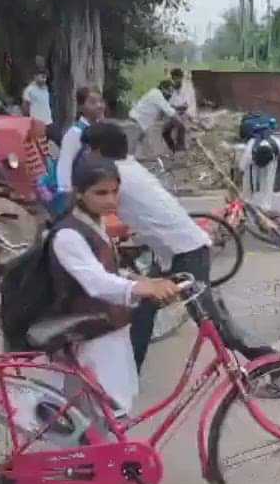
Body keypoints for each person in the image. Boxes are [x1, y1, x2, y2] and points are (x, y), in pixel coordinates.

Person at [79, 121, 279, 374]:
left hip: (187, 253)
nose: (85, 157)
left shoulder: (115, 178)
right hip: (175, 251)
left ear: (97, 151)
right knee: (142, 308)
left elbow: (100, 217)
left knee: (212, 325)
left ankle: (272, 361)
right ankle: (128, 373)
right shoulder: (128, 167)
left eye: (87, 150)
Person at [49, 156, 181, 416]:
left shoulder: (94, 224)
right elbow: (95, 281)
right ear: (79, 194)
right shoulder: (68, 234)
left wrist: (140, 280)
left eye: (114, 191)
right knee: (98, 406)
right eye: (100, 192)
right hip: (89, 332)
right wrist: (140, 289)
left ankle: (108, 453)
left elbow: (106, 270)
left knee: (113, 401)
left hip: (110, 325)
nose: (110, 199)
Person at [49, 86, 107, 215]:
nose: (99, 106)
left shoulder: (100, 129)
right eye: (92, 102)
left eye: (101, 101)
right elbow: (65, 164)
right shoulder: (75, 133)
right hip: (74, 193)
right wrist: (66, 194)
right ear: (81, 107)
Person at [129, 81, 185, 155]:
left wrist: (178, 108)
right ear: (163, 88)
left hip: (140, 118)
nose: (170, 93)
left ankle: (138, 156)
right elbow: (168, 110)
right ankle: (131, 157)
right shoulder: (157, 96)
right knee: (137, 138)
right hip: (138, 118)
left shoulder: (156, 93)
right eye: (168, 90)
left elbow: (166, 106)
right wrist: (180, 122)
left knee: (140, 138)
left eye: (171, 91)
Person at [241, 121, 280, 211]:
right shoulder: (274, 140)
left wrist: (241, 168)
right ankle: (266, 206)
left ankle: (248, 202)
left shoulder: (253, 142)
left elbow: (246, 157)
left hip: (254, 164)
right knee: (267, 184)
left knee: (249, 184)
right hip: (270, 164)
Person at [21, 70, 53, 137]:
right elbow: (25, 106)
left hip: (48, 122)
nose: (44, 80)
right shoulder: (29, 89)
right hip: (36, 122)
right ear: (35, 77)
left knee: (45, 143)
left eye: (45, 78)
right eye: (42, 77)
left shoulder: (46, 89)